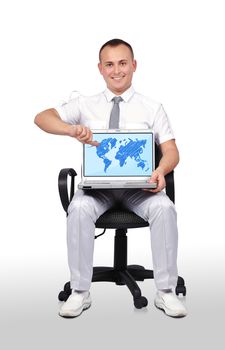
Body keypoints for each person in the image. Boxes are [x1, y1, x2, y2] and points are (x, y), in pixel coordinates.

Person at [34, 38, 187, 318]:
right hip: (98, 190)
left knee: (165, 208)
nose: (117, 70)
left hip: (139, 189)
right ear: (101, 69)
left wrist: (161, 170)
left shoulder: (152, 108)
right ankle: (80, 292)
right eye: (109, 64)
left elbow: (171, 151)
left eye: (123, 63)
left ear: (134, 66)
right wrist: (70, 130)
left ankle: (166, 292)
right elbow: (41, 118)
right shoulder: (84, 104)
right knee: (78, 208)